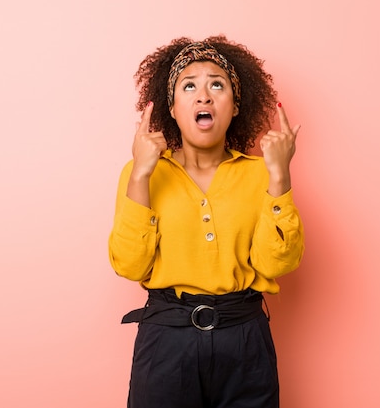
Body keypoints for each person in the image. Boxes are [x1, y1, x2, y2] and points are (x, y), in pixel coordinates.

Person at [108, 35, 304, 408]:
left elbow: (277, 263)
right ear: (172, 106)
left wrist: (279, 176)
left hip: (244, 338)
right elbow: (130, 265)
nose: (204, 96)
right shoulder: (141, 174)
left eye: (217, 84)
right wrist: (140, 177)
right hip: (166, 340)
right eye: (189, 86)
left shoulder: (261, 173)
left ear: (234, 107)